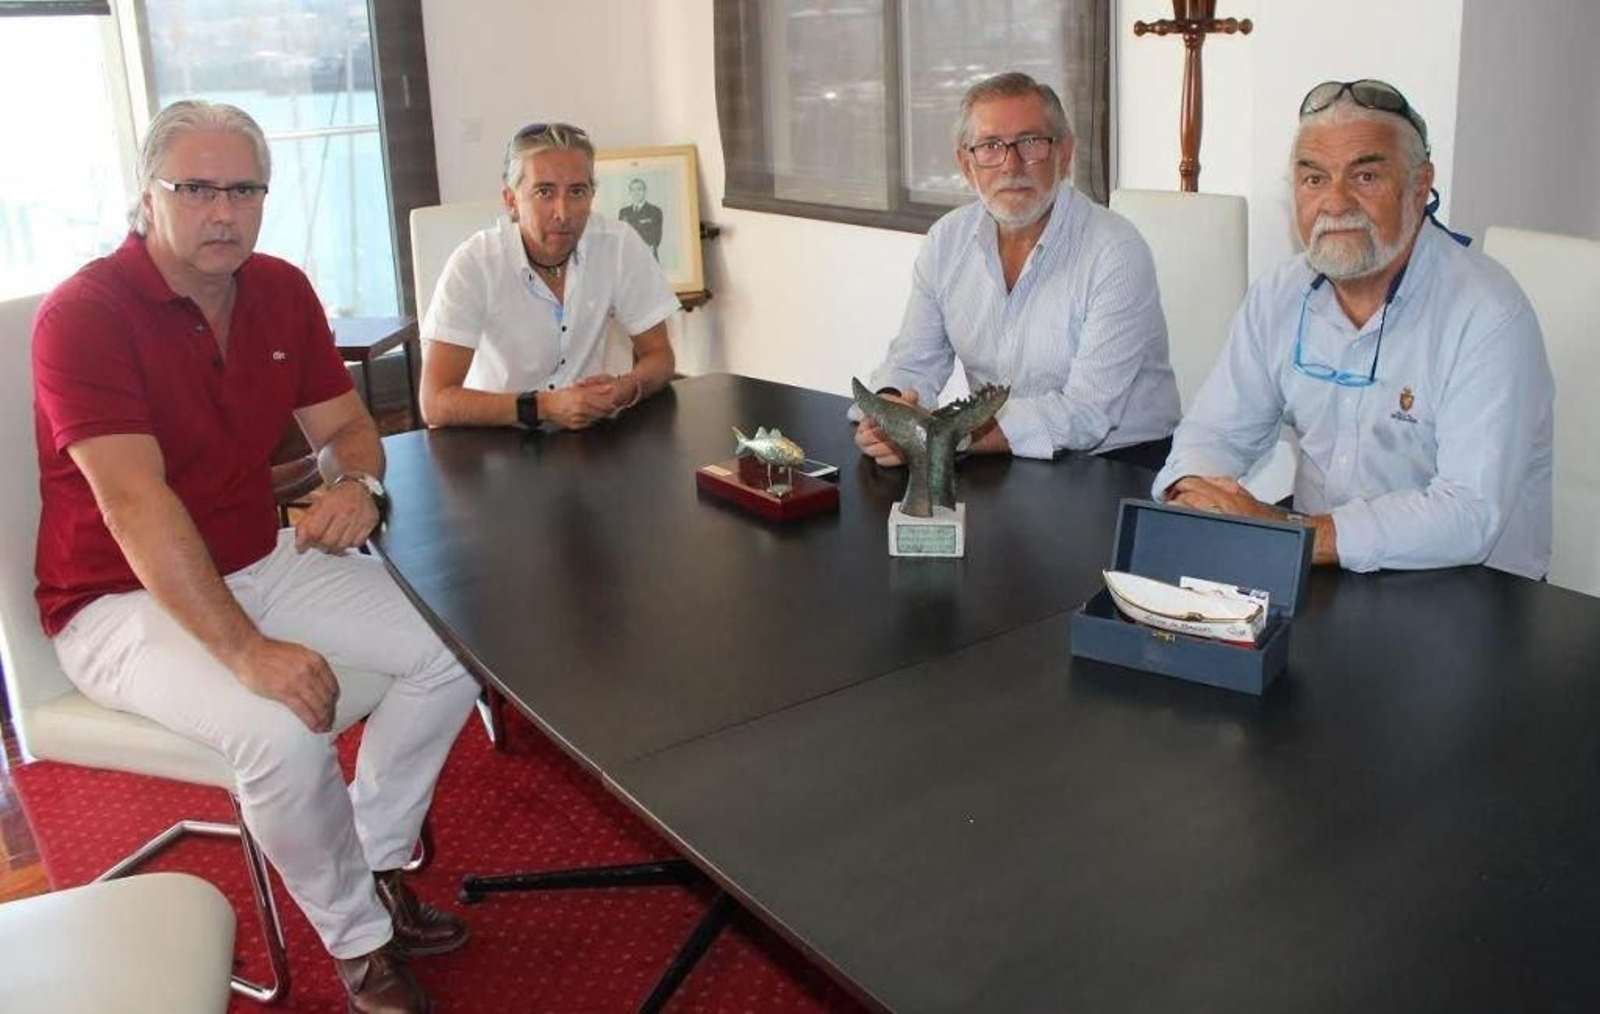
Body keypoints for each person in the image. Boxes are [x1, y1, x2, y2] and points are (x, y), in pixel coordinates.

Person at [31, 100, 481, 1013]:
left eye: (243, 189)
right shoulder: (85, 315)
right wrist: (247, 652)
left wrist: (361, 487)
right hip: (117, 600)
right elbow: (134, 504)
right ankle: (359, 942)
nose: (222, 212)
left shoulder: (278, 288)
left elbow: (349, 426)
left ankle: (376, 858)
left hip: (258, 557)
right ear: (146, 197)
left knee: (461, 639)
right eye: (194, 188)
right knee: (279, 727)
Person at [1153, 79, 1553, 578]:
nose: (1335, 203)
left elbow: (1469, 515)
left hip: (1470, 591)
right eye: (1314, 179)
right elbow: (1217, 430)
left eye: (1364, 177)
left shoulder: (1488, 314)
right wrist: (1192, 491)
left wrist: (1293, 531)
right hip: (1321, 567)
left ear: (1420, 185)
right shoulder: (1280, 294)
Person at [855, 71, 1180, 470]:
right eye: (990, 146)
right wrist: (890, 413)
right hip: (999, 453)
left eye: (1030, 143)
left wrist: (943, 436)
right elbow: (913, 360)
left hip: (1117, 464)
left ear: (1064, 155)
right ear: (966, 163)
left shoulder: (1115, 251)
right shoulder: (947, 241)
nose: (1011, 165)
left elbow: (1086, 414)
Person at [419, 122, 679, 431]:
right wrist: (543, 406)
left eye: (577, 192)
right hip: (494, 439)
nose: (563, 212)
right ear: (511, 201)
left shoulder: (618, 244)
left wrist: (626, 387)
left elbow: (660, 358)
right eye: (545, 192)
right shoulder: (474, 264)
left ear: (592, 195)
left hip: (586, 436)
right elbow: (435, 403)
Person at [617, 177, 664, 260]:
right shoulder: (623, 212)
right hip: (628, 257)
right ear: (630, 193)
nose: (636, 193)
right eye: (633, 190)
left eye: (639, 189)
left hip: (648, 256)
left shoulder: (655, 211)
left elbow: (656, 238)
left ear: (644, 191)